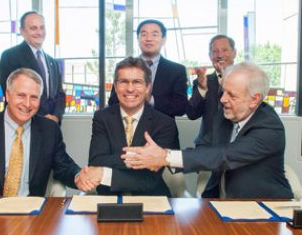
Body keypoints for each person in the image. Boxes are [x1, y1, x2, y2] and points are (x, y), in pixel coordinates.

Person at [122, 62, 293, 199]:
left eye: (232, 95)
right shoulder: (223, 116)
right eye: (223, 91)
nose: (223, 99)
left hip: (264, 207)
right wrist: (163, 158)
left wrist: (165, 157)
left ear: (254, 99)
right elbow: (205, 151)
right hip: (218, 202)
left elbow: (224, 156)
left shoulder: (269, 127)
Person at [0, 68, 96, 196]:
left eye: (34, 97)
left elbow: (63, 166)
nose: (27, 104)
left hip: (32, 215)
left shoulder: (49, 130)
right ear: (7, 94)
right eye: (21, 95)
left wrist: (78, 176)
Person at [85, 57, 179, 196]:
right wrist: (140, 157)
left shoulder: (165, 124)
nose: (130, 89)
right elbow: (97, 161)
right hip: (109, 196)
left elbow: (149, 179)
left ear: (147, 87)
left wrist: (105, 173)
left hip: (151, 199)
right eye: (123, 82)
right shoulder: (102, 118)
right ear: (115, 87)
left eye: (137, 82)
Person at [108, 19, 188, 119]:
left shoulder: (177, 70)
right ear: (138, 38)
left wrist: (150, 99)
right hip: (127, 129)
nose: (149, 39)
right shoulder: (124, 67)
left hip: (163, 131)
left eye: (155, 34)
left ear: (164, 39)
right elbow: (112, 101)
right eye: (144, 34)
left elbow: (181, 107)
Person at [0, 11, 65, 124]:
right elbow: (13, 93)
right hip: (22, 125)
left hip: (51, 126)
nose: (39, 32)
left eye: (42, 27)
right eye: (33, 28)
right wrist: (42, 118)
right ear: (22, 31)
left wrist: (55, 116)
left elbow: (59, 94)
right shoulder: (10, 56)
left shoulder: (52, 61)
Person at [186, 35, 236, 143]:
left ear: (234, 53)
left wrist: (225, 82)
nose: (220, 55)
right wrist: (202, 89)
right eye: (215, 51)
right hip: (206, 146)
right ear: (210, 56)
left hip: (234, 146)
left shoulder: (246, 80)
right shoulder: (202, 81)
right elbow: (192, 114)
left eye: (225, 50)